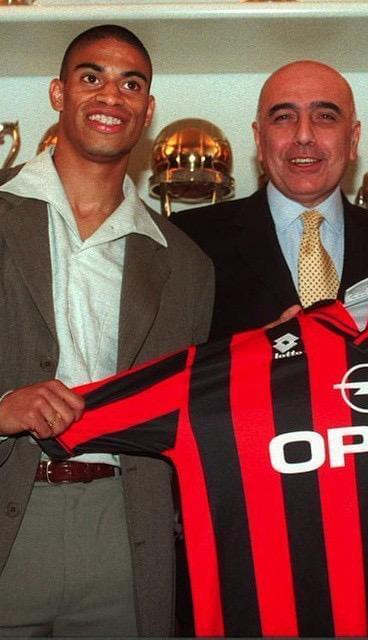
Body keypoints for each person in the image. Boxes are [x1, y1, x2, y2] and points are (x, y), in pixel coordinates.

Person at [0, 25, 214, 636]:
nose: (111, 96)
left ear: (148, 110)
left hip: (126, 531)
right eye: (91, 77)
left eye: (131, 84)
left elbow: (193, 415)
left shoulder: (187, 265)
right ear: (58, 93)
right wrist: (3, 409)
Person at [173, 60, 368, 337]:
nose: (304, 136)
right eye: (284, 117)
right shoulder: (189, 240)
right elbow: (168, 358)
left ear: (353, 140)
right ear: (259, 140)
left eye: (325, 117)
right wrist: (251, 351)